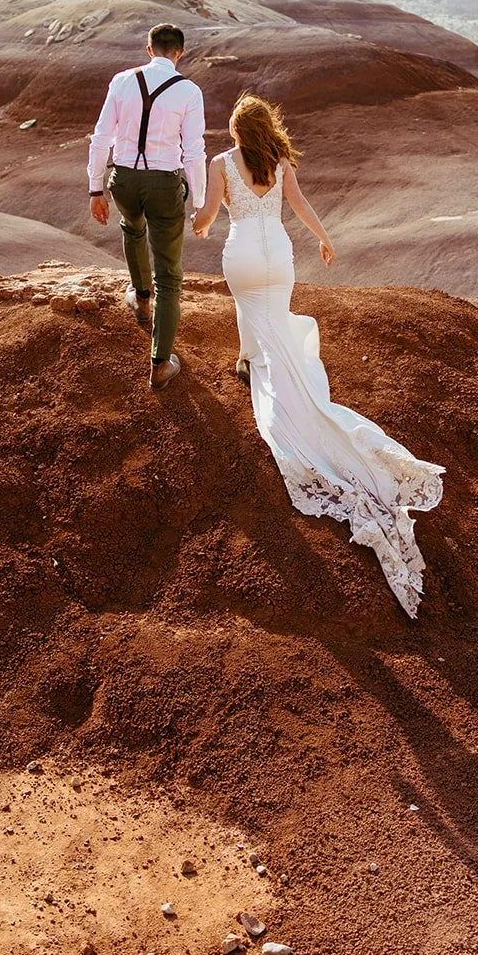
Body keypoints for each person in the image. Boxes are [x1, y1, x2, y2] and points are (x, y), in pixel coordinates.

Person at [191, 92, 444, 616]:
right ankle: (249, 357)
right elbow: (301, 206)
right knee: (273, 316)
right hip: (279, 254)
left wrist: (196, 224)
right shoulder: (279, 164)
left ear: (237, 132)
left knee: (252, 310)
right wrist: (324, 238)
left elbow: (211, 213)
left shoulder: (220, 163)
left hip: (241, 253)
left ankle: (252, 364)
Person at [88, 24, 206, 391]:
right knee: (169, 275)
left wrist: (95, 188)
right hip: (164, 183)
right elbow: (194, 151)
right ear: (181, 53)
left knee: (132, 226)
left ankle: (140, 298)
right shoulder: (189, 91)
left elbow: (101, 136)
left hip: (122, 180)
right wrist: (201, 204)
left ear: (148, 48)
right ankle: (159, 364)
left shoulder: (122, 81)